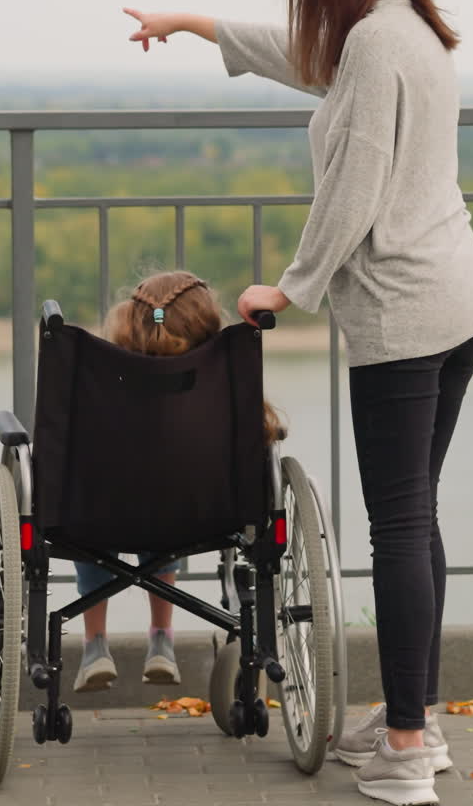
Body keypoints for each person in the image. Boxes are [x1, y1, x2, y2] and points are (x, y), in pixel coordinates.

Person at [123, 0, 473, 806]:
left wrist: (289, 288)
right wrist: (199, 24)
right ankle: (422, 714)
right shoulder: (410, 30)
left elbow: (355, 185)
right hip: (459, 304)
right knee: (421, 516)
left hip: (405, 319)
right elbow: (305, 60)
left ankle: (407, 749)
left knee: (402, 521)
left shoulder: (375, 44)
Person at [74, 269, 284, 694]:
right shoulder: (221, 384)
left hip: (100, 516)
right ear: (206, 325)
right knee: (167, 513)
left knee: (95, 528)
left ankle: (95, 645)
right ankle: (161, 639)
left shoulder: (101, 381)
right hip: (195, 515)